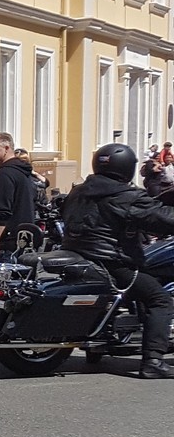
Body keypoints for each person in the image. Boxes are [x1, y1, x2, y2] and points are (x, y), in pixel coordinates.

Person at [61, 143, 174, 378]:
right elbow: (160, 218)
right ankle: (153, 361)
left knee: (142, 287)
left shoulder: (80, 190)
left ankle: (102, 343)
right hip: (112, 262)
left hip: (79, 255)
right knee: (159, 299)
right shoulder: (126, 196)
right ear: (127, 168)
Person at [0, 133, 37, 258]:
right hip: (22, 238)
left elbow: (2, 211)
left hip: (6, 242)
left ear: (6, 148)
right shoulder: (22, 171)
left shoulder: (5, 175)